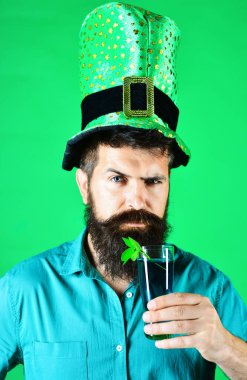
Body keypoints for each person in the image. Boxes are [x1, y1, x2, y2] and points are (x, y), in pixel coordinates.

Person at [1, 2, 247, 380]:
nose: (138, 200)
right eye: (117, 179)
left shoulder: (210, 288)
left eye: (153, 181)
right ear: (84, 185)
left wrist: (225, 346)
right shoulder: (24, 289)